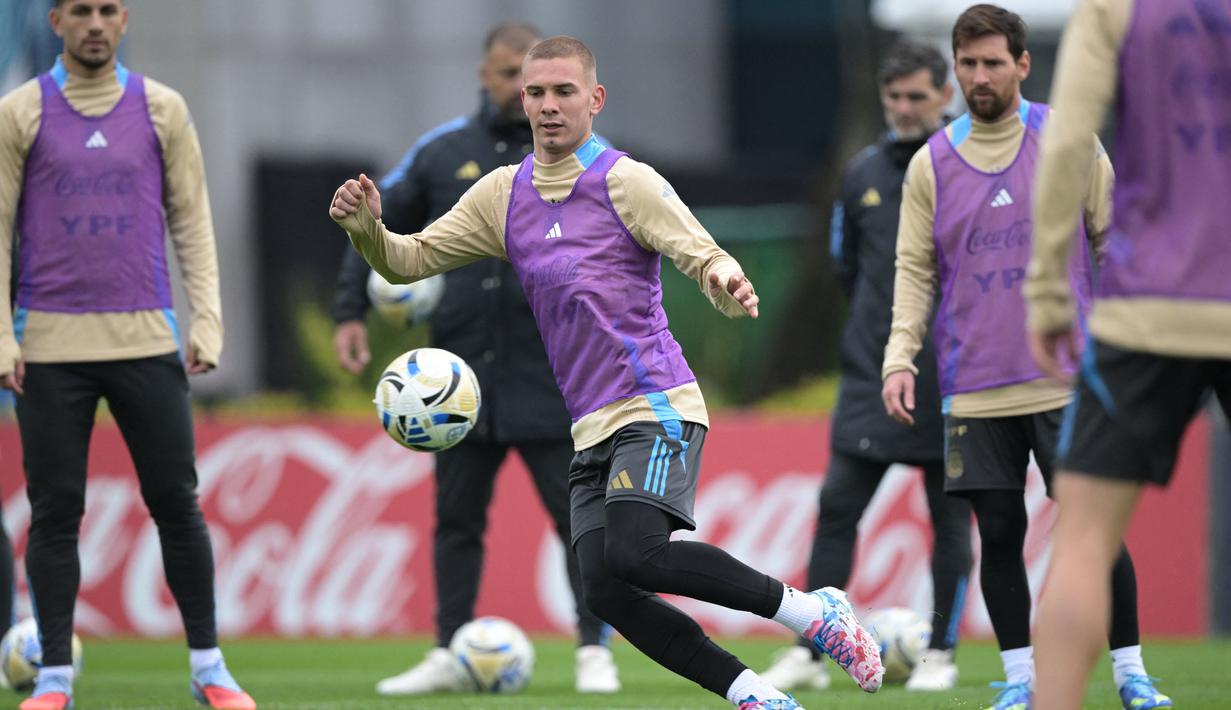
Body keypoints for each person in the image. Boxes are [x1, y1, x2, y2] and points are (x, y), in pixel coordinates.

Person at [330, 35, 884, 710]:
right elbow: (407, 261)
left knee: (637, 553)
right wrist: (365, 231)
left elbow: (698, 251)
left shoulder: (626, 181)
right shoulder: (502, 195)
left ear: (594, 100)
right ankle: (754, 694)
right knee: (604, 588)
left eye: (564, 92)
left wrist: (724, 279)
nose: (547, 106)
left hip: (655, 403)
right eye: (536, 92)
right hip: (589, 425)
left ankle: (809, 610)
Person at [879, 5, 1168, 709]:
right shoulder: (931, 164)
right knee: (999, 533)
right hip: (973, 387)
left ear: (1021, 64)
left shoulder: (1066, 139)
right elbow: (914, 270)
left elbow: (1113, 238)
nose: (979, 76)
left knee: (1088, 526)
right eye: (967, 64)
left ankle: (1131, 673)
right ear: (956, 70)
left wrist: (1124, 341)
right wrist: (897, 356)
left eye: (991, 63)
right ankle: (1019, 684)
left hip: (1069, 380)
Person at [331, 22, 619, 696]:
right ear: (490, 79)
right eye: (508, 75)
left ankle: (592, 647)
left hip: (553, 374)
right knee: (456, 520)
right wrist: (351, 309)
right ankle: (444, 647)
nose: (528, 91)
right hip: (454, 382)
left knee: (577, 519)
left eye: (541, 79)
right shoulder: (440, 153)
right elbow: (374, 226)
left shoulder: (587, 161)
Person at [0, 2, 254, 708]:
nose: (94, 23)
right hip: (49, 344)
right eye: (80, 10)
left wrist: (207, 320)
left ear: (123, 20)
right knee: (54, 514)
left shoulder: (162, 109)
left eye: (107, 10)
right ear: (55, 21)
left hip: (146, 339)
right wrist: (1, 333)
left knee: (177, 504)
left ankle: (210, 670)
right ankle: (53, 679)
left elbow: (192, 219)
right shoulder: (18, 113)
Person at [1024, 0, 1231, 707]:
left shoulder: (1115, 5)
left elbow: (1065, 142)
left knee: (1081, 539)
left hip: (1147, 307)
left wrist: (1048, 289)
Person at [761, 39, 972, 694]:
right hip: (869, 374)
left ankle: (938, 652)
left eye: (917, 96)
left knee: (949, 517)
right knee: (835, 510)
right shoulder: (860, 174)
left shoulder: (970, 166)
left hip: (952, 377)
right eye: (894, 98)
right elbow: (847, 268)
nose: (905, 109)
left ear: (945, 96)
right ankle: (811, 651)